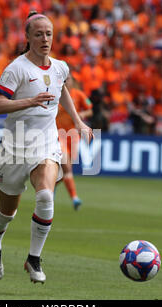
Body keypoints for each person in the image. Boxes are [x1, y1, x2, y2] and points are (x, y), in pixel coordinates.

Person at [0, 11, 93, 284]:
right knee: (6, 214)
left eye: (48, 34)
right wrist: (29, 102)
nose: (44, 39)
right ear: (28, 37)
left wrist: (78, 121)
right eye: (38, 34)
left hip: (46, 143)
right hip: (15, 146)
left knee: (45, 197)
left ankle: (33, 258)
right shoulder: (16, 69)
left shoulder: (60, 67)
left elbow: (62, 90)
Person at [56, 74, 93, 210]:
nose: (67, 82)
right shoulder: (55, 94)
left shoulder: (78, 95)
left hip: (73, 135)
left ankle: (51, 187)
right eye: (64, 80)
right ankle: (75, 198)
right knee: (67, 167)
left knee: (64, 170)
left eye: (69, 79)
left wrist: (82, 115)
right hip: (57, 134)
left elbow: (90, 109)